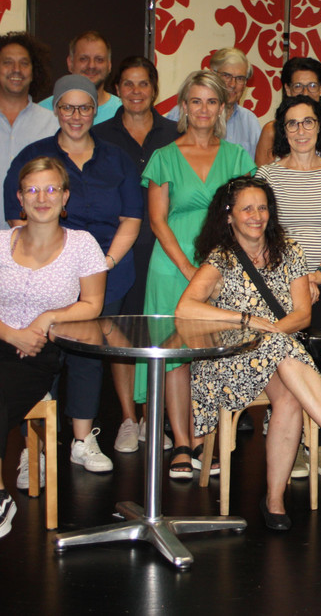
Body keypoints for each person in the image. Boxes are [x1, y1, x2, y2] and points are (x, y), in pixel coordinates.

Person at [177, 176, 321, 531]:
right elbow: (185, 308)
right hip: (230, 359)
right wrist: (246, 320)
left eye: (262, 208)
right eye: (247, 209)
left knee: (289, 393)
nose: (256, 216)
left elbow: (303, 315)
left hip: (279, 354)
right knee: (282, 348)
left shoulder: (289, 250)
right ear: (229, 215)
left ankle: (275, 498)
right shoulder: (221, 258)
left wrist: (270, 331)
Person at [5, 75, 142, 477]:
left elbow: (132, 217)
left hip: (104, 270)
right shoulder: (35, 154)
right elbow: (20, 217)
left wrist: (104, 263)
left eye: (84, 107)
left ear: (96, 111)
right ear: (56, 110)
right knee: (33, 354)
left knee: (86, 358)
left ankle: (82, 440)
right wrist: (45, 262)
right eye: (68, 106)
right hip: (41, 269)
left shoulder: (115, 157)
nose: (76, 115)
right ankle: (35, 449)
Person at [135, 70, 255, 478]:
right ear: (184, 106)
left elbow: (249, 215)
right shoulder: (164, 156)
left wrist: (219, 268)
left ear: (223, 107)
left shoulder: (238, 157)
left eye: (211, 101)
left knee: (209, 355)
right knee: (176, 358)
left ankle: (206, 439)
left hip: (223, 266)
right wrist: (189, 269)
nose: (203, 109)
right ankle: (183, 443)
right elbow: (157, 221)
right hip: (171, 267)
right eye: (196, 101)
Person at [0, 157, 106, 539]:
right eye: (32, 189)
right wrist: (10, 333)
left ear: (65, 197)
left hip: (37, 354)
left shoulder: (82, 244)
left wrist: (46, 318)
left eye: (50, 189)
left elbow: (92, 304)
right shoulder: (1, 242)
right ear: (19, 198)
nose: (41, 197)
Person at [257, 94, 321, 478]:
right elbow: (263, 232)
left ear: (319, 126)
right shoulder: (266, 176)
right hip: (279, 287)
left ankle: (320, 445)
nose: (301, 130)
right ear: (283, 130)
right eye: (292, 123)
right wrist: (296, 279)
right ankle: (291, 445)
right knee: (286, 364)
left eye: (308, 121)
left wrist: (319, 275)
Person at [93, 56, 181, 453]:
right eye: (127, 84)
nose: (135, 91)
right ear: (117, 89)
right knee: (120, 330)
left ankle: (152, 418)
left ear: (155, 88)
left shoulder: (174, 132)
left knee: (159, 332)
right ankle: (128, 419)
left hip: (165, 249)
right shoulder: (101, 134)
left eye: (143, 83)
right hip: (117, 247)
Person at [1, 32, 59, 218]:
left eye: (24, 63)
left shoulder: (53, 124)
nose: (16, 69)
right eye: (8, 62)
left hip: (35, 232)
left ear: (34, 72)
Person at [166, 48, 261, 159]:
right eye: (226, 76)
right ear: (212, 74)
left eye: (240, 78)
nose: (232, 84)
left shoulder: (250, 122)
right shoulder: (179, 114)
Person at [254, 57, 321, 167]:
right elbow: (262, 175)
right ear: (288, 89)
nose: (305, 93)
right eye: (298, 86)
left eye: (312, 86)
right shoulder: (272, 131)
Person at [38, 31, 121, 123]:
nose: (91, 66)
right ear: (70, 63)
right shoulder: (42, 112)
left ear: (109, 65)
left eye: (99, 59)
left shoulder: (122, 111)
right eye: (83, 59)